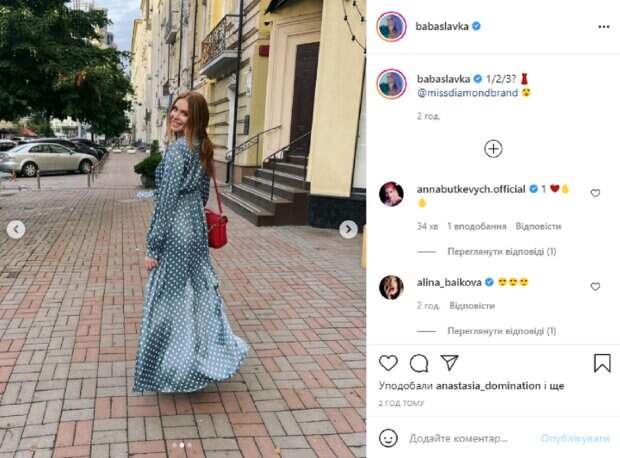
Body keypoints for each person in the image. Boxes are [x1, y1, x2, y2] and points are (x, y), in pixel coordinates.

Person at [133, 91, 248, 393]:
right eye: (175, 109)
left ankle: (176, 368)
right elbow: (203, 194)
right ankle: (206, 356)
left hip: (176, 231)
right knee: (196, 294)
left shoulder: (177, 152)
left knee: (169, 299)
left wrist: (153, 246)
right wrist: (195, 219)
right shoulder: (202, 148)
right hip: (195, 228)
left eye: (184, 113)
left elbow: (166, 203)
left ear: (195, 119)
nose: (175, 116)